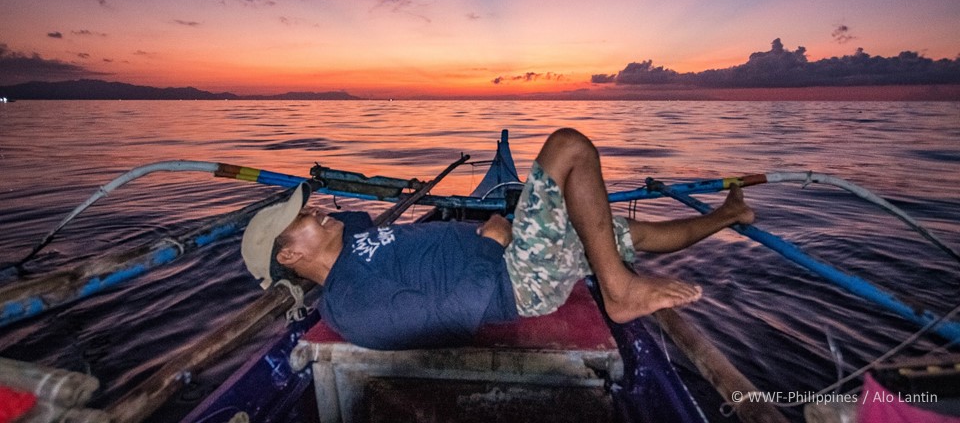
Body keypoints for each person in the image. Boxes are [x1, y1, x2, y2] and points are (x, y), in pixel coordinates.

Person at [241, 128, 755, 350]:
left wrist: (344, 220)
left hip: (509, 256)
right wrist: (490, 240)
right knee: (569, 146)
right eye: (300, 216)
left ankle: (729, 214)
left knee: (621, 231)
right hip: (513, 280)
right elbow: (452, 319)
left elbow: (350, 219)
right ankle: (619, 292)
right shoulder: (349, 303)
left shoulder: (352, 241)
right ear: (289, 253)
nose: (313, 210)